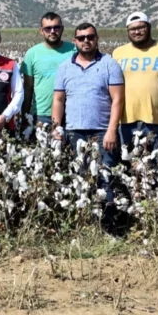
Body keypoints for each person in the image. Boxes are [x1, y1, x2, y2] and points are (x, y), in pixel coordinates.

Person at [51, 23, 124, 218]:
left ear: (97, 38)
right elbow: (58, 100)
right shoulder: (65, 67)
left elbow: (118, 100)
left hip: (102, 131)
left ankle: (109, 223)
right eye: (81, 38)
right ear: (75, 41)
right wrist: (57, 129)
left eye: (90, 37)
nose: (86, 41)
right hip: (75, 131)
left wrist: (111, 130)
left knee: (105, 175)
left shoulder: (109, 64)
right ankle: (87, 220)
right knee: (81, 176)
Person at [112, 11, 158, 152]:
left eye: (141, 27)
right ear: (127, 31)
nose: (137, 32)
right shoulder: (118, 53)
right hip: (125, 122)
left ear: (149, 27)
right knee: (128, 166)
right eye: (132, 29)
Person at [22, 12, 75, 126]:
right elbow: (28, 88)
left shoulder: (74, 51)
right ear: (41, 31)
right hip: (41, 114)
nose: (52, 31)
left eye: (56, 27)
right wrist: (25, 116)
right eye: (48, 28)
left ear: (62, 29)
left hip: (71, 113)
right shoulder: (32, 54)